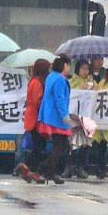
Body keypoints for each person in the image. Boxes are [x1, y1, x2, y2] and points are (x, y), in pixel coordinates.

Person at [32, 54, 74, 184]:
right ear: (65, 65)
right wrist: (65, 116)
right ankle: (49, 170)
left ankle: (47, 168)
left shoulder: (51, 76)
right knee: (60, 144)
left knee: (61, 144)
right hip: (57, 117)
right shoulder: (60, 79)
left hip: (50, 115)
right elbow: (59, 98)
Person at [15, 56, 48, 180]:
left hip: (35, 116)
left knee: (39, 144)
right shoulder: (36, 83)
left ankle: (26, 166)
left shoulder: (35, 81)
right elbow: (36, 101)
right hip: (35, 117)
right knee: (39, 144)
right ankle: (33, 170)